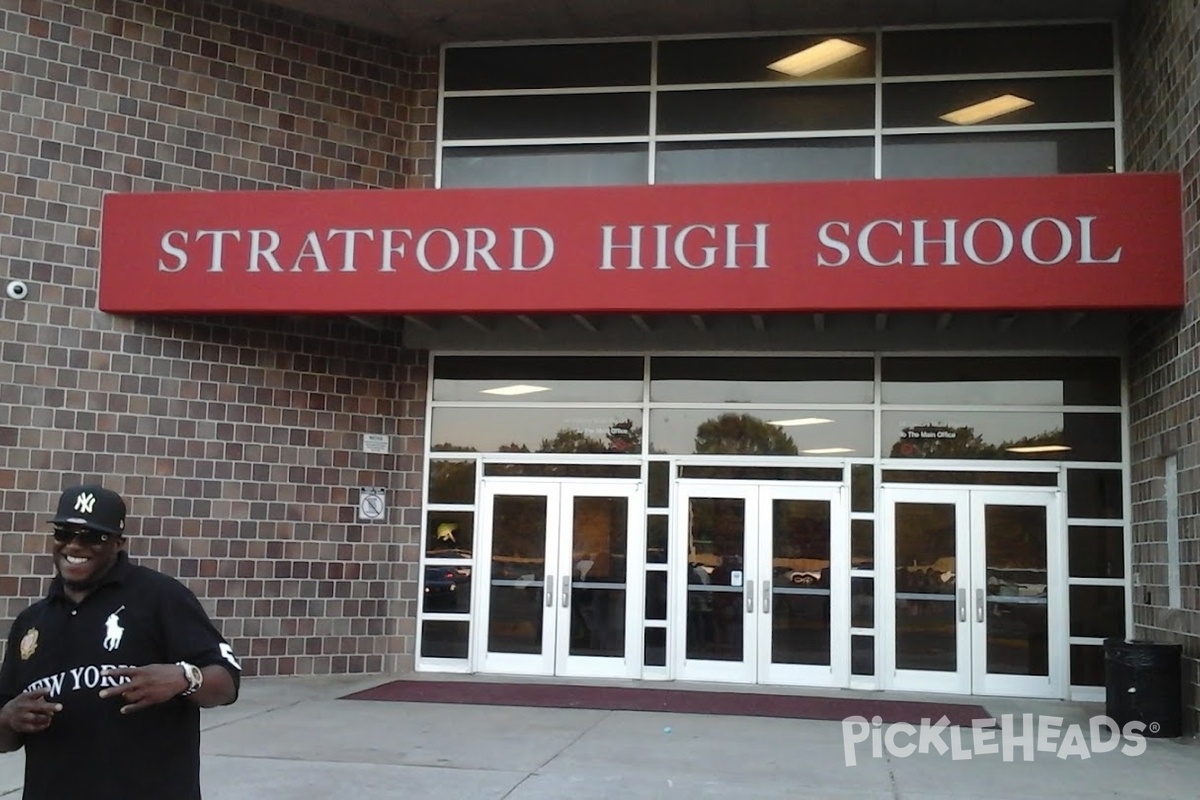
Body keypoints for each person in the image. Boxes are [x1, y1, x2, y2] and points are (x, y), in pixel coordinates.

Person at [0, 484, 241, 799]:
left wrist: (185, 678)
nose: (75, 545)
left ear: (118, 543)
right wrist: (8, 718)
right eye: (64, 533)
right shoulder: (30, 623)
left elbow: (226, 682)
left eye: (92, 537)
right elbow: (5, 738)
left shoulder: (160, 598)